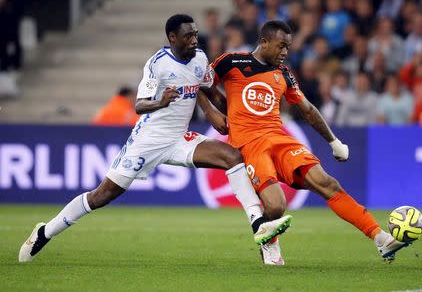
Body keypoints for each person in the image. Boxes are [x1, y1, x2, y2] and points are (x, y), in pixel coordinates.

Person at [18, 14, 292, 263]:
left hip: (179, 138)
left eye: (195, 34)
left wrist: (217, 114)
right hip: (148, 140)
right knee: (102, 195)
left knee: (233, 157)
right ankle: (46, 230)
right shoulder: (157, 64)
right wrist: (160, 102)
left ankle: (259, 226)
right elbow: (139, 106)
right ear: (172, 38)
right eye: (188, 36)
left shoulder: (199, 58)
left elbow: (208, 89)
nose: (194, 40)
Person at [206, 20, 408, 265]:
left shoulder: (284, 73)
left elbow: (307, 109)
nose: (284, 52)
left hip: (280, 139)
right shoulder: (231, 62)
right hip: (250, 145)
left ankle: (381, 239)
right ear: (264, 42)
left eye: (288, 48)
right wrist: (213, 111)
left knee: (327, 183)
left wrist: (334, 141)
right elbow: (201, 84)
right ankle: (268, 245)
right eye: (280, 46)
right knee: (277, 205)